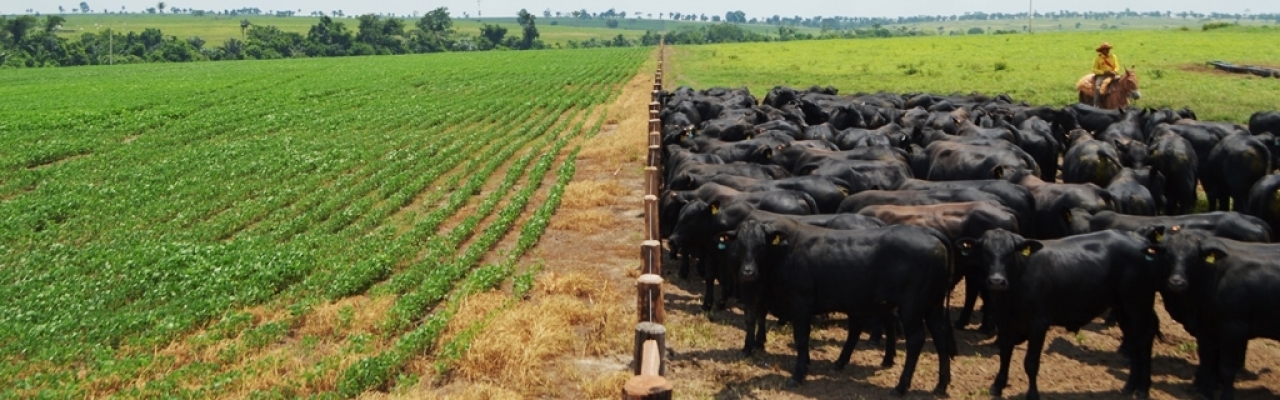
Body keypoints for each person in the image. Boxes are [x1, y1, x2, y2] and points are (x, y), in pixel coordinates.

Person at [1092, 42, 1119, 107]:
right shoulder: (1098, 58)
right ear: (1101, 51)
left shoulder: (1113, 57)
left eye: (1108, 49)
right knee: (1097, 87)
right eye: (1105, 49)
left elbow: (1117, 66)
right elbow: (1094, 69)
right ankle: (1096, 104)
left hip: (1112, 74)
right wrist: (1103, 72)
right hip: (1102, 76)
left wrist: (1114, 71)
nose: (1107, 50)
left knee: (1124, 82)